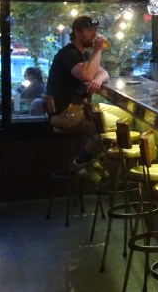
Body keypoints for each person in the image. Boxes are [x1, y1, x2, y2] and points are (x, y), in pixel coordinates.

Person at [46, 16, 129, 178]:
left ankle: (94, 157)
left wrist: (97, 80)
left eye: (95, 31)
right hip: (67, 113)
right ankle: (82, 161)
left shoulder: (82, 55)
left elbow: (104, 73)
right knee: (116, 125)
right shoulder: (69, 54)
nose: (94, 34)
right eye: (90, 30)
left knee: (125, 116)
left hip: (81, 109)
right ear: (77, 32)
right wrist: (98, 50)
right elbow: (87, 75)